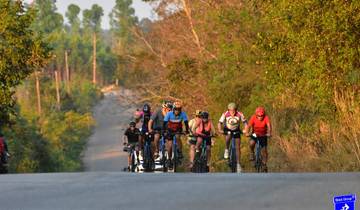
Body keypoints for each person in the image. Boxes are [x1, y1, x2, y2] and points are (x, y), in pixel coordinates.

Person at [218, 102, 247, 173]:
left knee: (238, 147)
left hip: (236, 130)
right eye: (231, 110)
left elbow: (245, 123)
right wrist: (220, 130)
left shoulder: (240, 114)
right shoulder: (225, 114)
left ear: (236, 109)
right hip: (227, 129)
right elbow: (219, 123)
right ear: (228, 110)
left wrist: (245, 130)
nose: (232, 112)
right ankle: (227, 149)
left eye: (234, 110)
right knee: (229, 135)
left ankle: (238, 164)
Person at [244, 107, 271, 172]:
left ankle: (264, 164)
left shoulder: (266, 118)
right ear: (256, 115)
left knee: (264, 150)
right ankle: (252, 153)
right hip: (255, 134)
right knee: (251, 143)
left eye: (262, 116)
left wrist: (269, 133)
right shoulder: (253, 117)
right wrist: (247, 133)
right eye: (259, 116)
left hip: (263, 135)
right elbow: (249, 126)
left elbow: (269, 126)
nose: (260, 117)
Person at [163, 101, 189, 168]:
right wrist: (164, 131)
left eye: (179, 109)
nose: (177, 111)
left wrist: (187, 131)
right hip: (170, 129)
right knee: (170, 145)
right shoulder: (169, 114)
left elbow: (186, 123)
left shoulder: (183, 114)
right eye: (176, 109)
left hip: (178, 129)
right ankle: (169, 159)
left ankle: (180, 151)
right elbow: (165, 123)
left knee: (177, 137)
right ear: (173, 109)